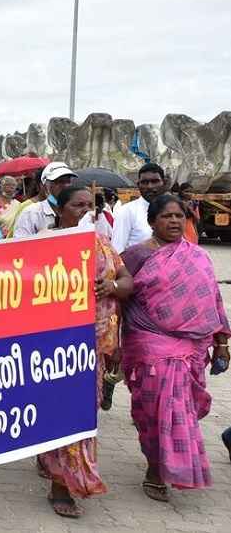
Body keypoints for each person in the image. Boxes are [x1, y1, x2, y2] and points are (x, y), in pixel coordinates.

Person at [120, 194, 229, 502]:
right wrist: (109, 345)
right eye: (166, 216)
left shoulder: (197, 256)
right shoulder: (134, 256)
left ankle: (169, 465)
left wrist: (221, 343)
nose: (174, 221)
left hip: (191, 347)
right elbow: (118, 301)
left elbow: (213, 301)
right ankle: (155, 468)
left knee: (181, 409)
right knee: (153, 411)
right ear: (152, 221)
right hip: (148, 343)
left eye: (179, 216)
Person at [36, 187, 133, 518]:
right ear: (59, 209)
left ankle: (66, 480)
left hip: (91, 351)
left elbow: (125, 278)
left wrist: (113, 287)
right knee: (57, 413)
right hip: (53, 347)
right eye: (77, 205)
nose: (85, 212)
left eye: (90, 206)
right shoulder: (45, 242)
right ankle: (58, 479)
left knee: (81, 416)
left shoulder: (102, 244)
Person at [111, 163, 167, 252]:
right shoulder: (127, 211)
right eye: (145, 182)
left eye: (155, 181)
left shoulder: (173, 211)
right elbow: (117, 251)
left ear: (164, 183)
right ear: (138, 185)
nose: (150, 186)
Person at [12, 162, 78, 238]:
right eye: (60, 182)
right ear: (45, 186)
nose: (66, 186)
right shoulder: (31, 213)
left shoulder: (79, 210)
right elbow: (19, 245)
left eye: (68, 182)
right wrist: (39, 238)